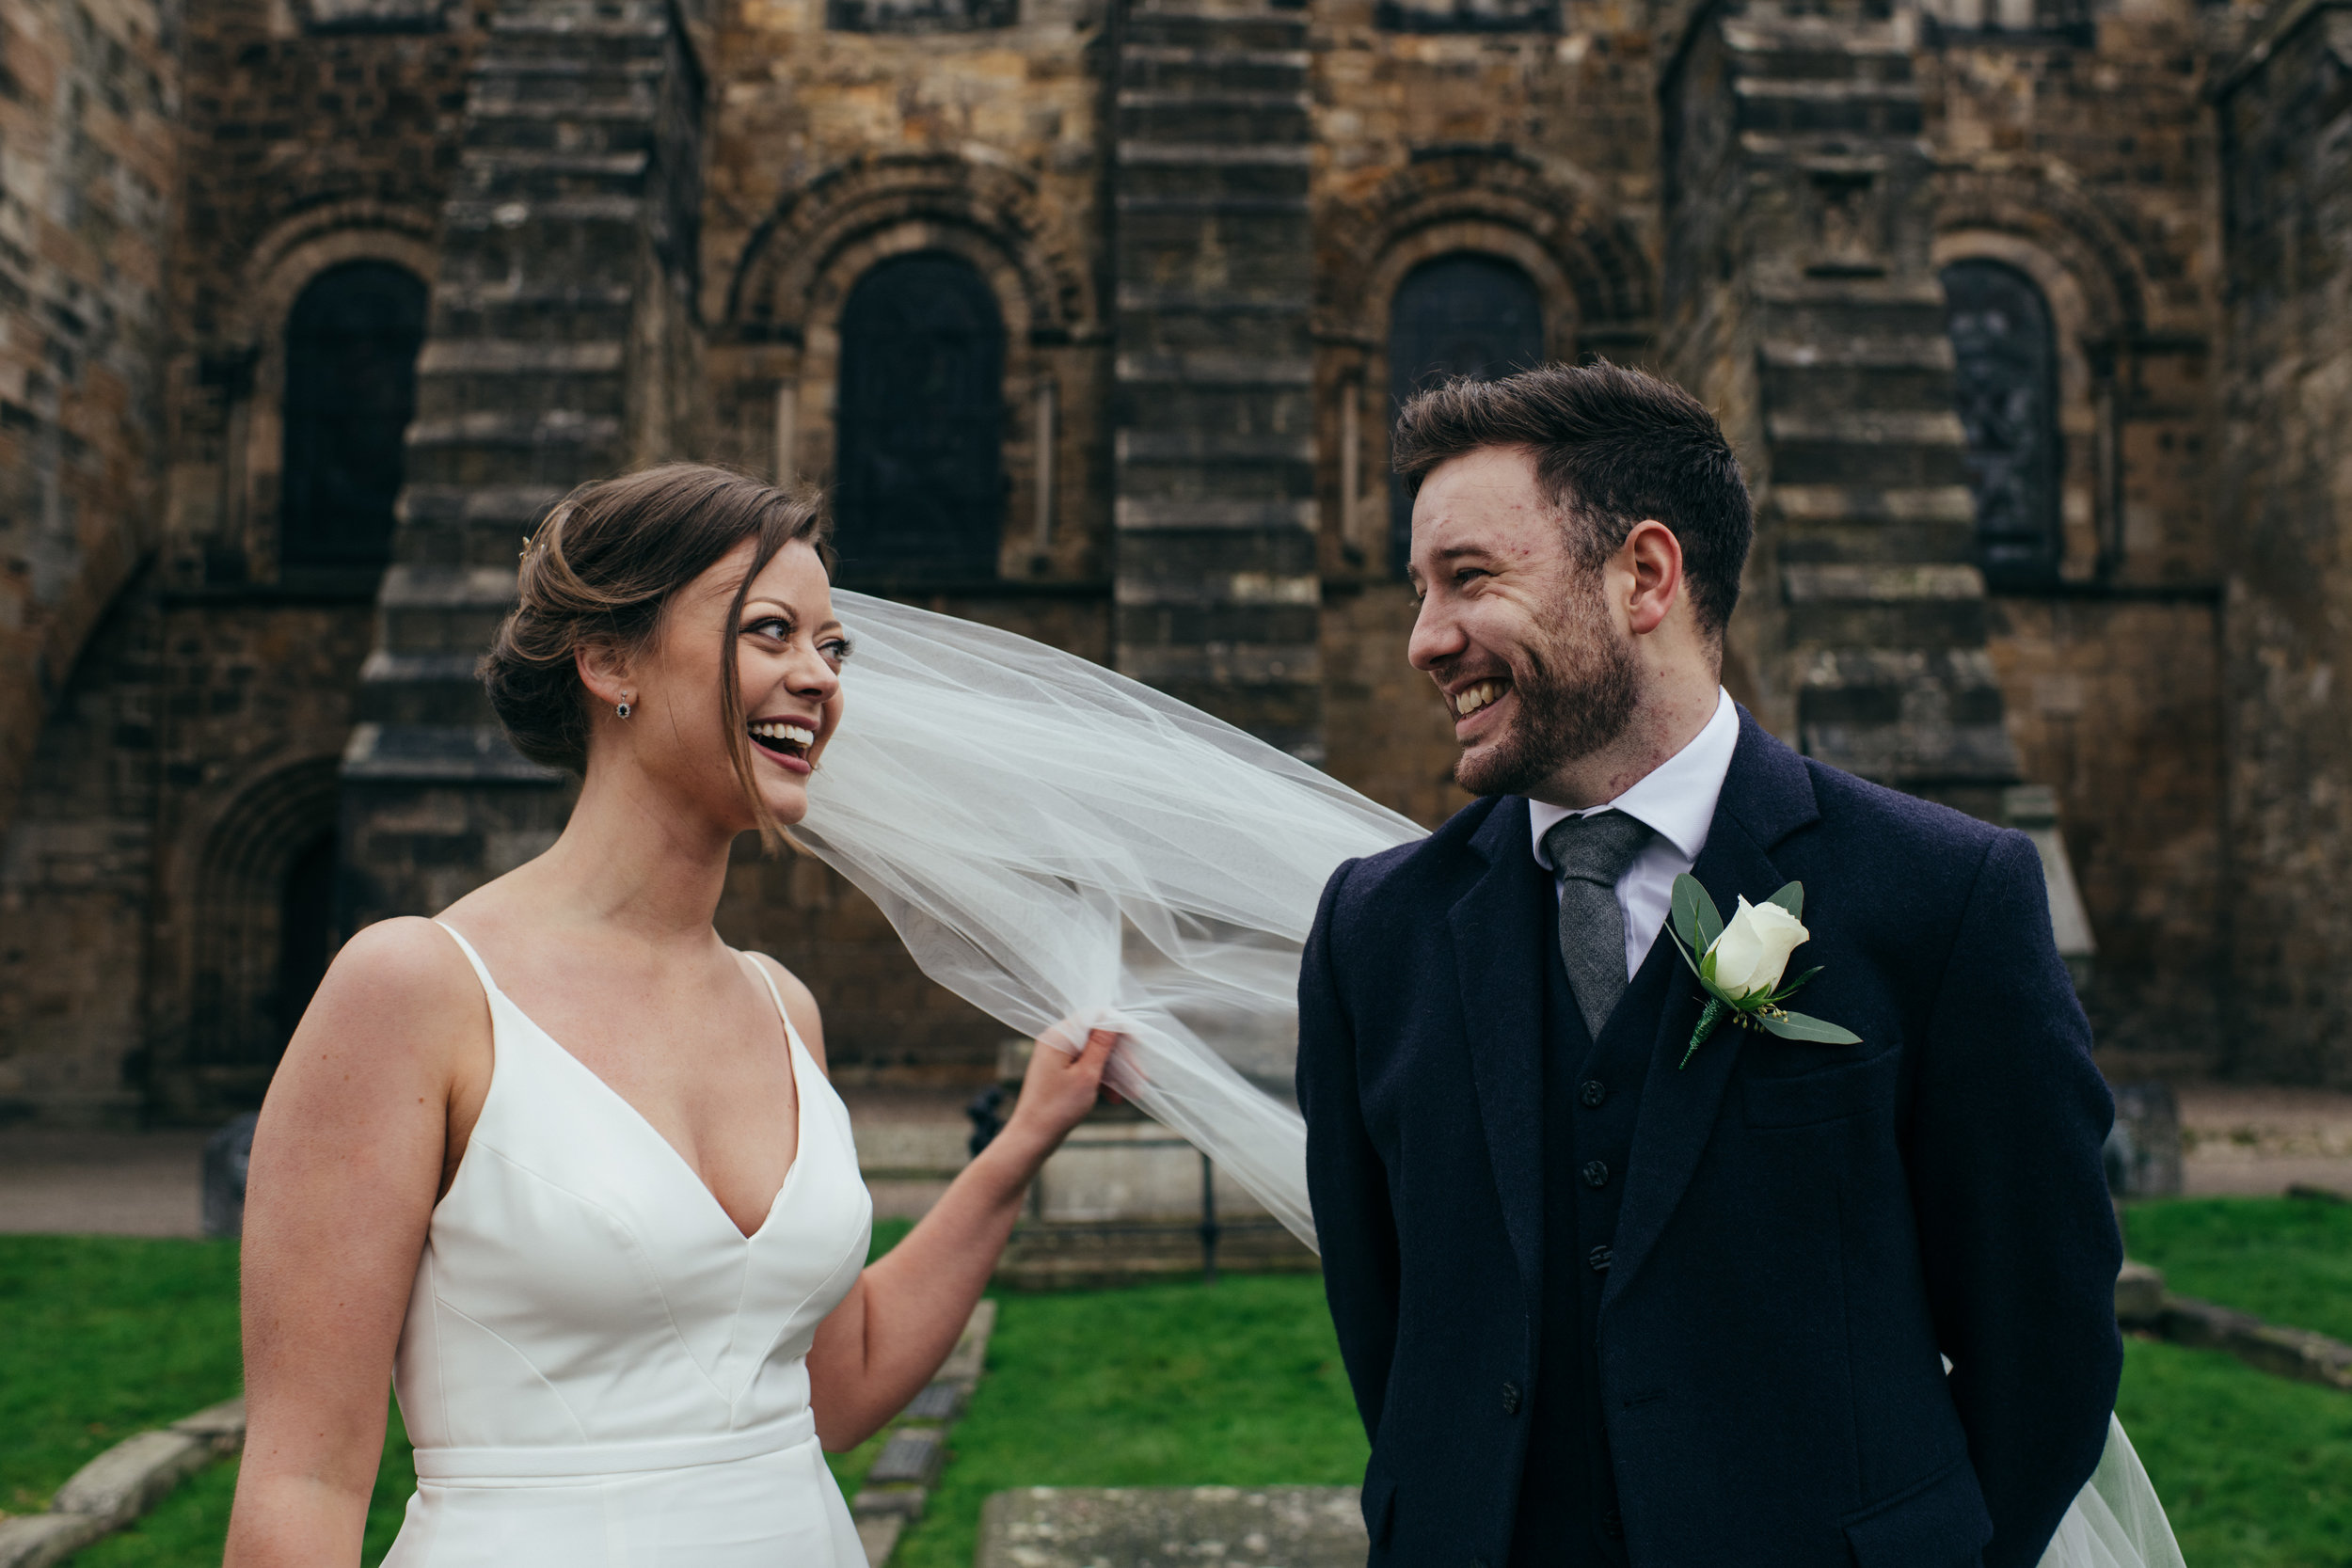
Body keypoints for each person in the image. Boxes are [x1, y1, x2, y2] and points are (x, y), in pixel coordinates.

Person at [1295, 363, 2126, 1567]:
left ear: (1643, 575)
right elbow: (1389, 1329)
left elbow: (2041, 1336)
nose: (1424, 640)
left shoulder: (1944, 896)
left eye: (1467, 578)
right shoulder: (1374, 931)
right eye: (1419, 589)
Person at [224, 466, 1117, 1568]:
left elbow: (830, 1390)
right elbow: (302, 1478)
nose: (818, 680)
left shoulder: (781, 1004)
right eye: (774, 631)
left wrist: (1021, 1144)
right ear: (608, 661)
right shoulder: (415, 987)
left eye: (834, 649)